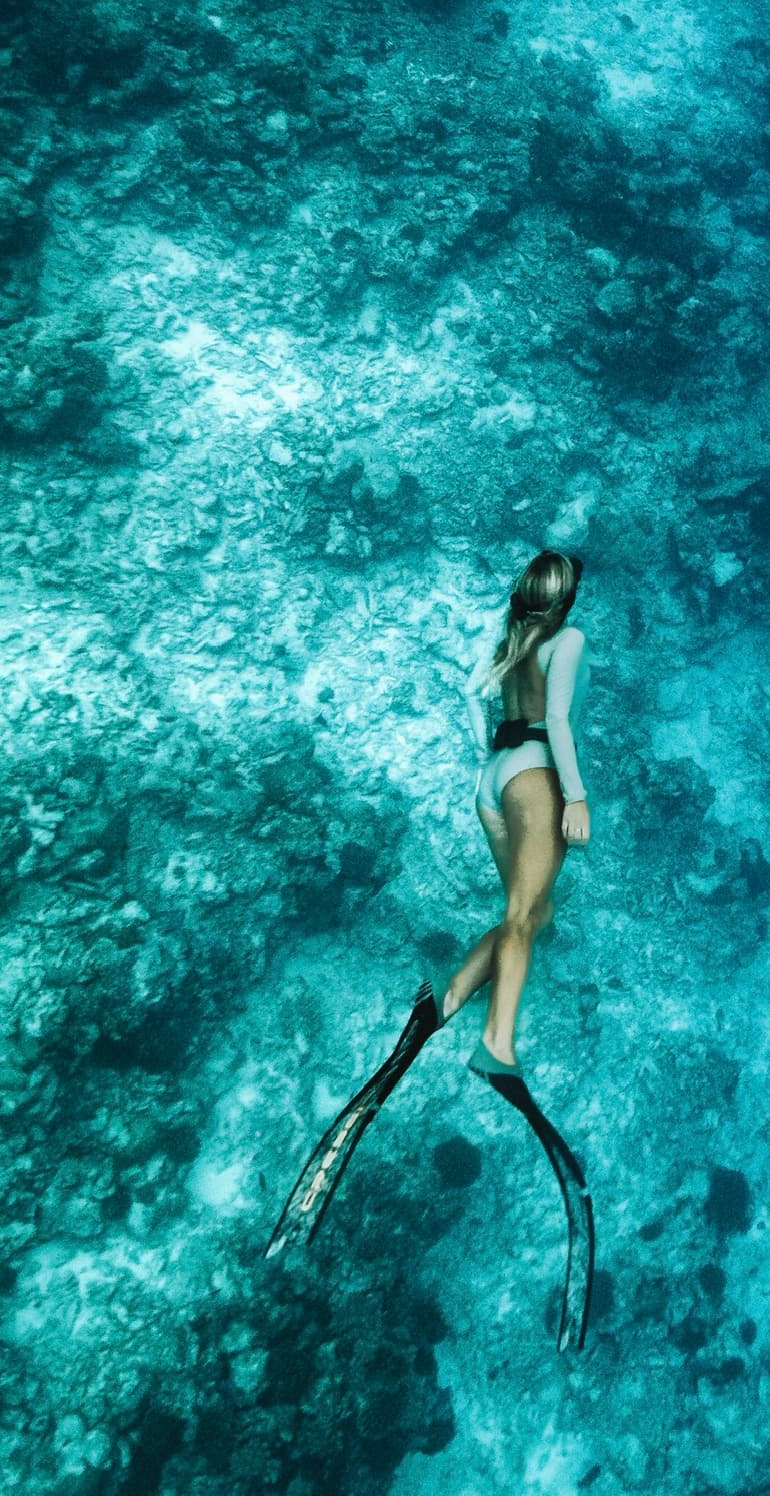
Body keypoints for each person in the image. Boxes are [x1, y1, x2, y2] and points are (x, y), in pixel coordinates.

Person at [265, 549, 596, 1352]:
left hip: (490, 778)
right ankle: (498, 1047)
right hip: (535, 776)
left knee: (533, 914)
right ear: (568, 596)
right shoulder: (569, 639)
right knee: (524, 915)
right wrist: (574, 794)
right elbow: (556, 722)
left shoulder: (510, 630)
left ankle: (438, 1008)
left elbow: (482, 698)